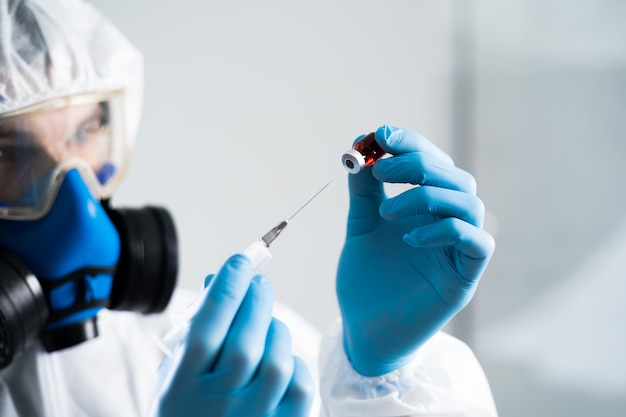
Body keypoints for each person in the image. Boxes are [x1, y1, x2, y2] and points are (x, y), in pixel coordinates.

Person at [0, 0, 498, 416]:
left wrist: (381, 369)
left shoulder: (205, 346)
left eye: (85, 132)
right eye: (9, 153)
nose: (76, 198)